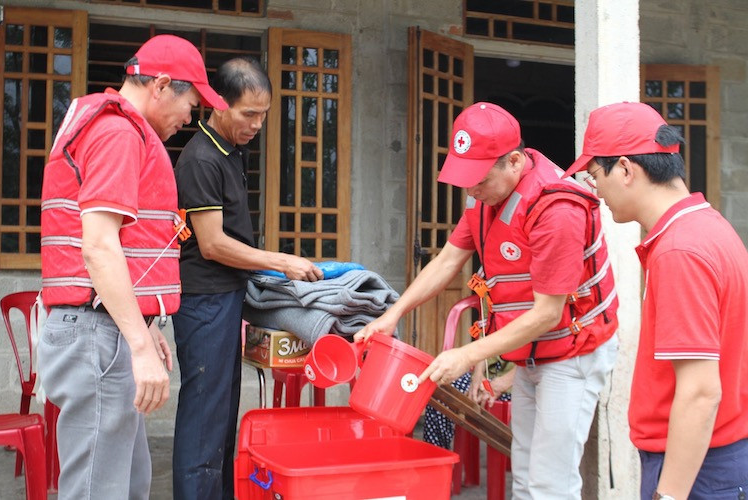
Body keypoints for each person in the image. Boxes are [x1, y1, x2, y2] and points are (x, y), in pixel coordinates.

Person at [357, 102, 619, 499]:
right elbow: (447, 260)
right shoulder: (484, 198)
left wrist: (466, 355)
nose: (470, 190)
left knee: (552, 481)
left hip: (572, 352)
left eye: (478, 180)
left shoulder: (556, 208)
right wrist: (392, 315)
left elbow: (548, 313)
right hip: (530, 352)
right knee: (527, 471)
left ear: (514, 162)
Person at [38, 34, 225, 499]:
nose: (189, 119)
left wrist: (142, 323)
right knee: (99, 490)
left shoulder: (110, 126)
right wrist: (139, 346)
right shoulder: (118, 131)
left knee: (128, 484)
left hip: (104, 328)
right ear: (161, 85)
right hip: (96, 333)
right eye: (191, 104)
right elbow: (100, 246)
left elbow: (119, 244)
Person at [564, 101, 748, 500]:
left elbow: (701, 391)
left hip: (701, 467)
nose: (596, 192)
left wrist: (670, 495)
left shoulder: (680, 250)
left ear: (626, 170)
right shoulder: (709, 227)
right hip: (717, 457)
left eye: (595, 176)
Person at [172, 57, 323, 500]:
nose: (257, 124)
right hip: (204, 300)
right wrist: (281, 262)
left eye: (264, 115)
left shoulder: (230, 151)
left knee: (220, 414)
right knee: (204, 417)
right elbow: (213, 244)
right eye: (248, 114)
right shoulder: (201, 158)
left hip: (225, 297)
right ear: (218, 104)